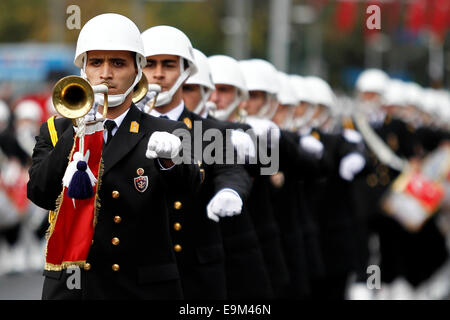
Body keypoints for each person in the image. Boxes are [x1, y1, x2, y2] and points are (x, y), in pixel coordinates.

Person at [27, 13, 200, 300]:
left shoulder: (166, 130)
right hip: (73, 286)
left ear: (137, 71)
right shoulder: (56, 130)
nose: (106, 74)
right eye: (96, 62)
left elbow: (189, 190)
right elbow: (40, 193)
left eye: (118, 63)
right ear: (84, 70)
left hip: (139, 287)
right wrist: (79, 127)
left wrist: (171, 161)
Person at [140, 26, 260, 299]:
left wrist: (230, 191)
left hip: (194, 268)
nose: (158, 73)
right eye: (150, 65)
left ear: (186, 72)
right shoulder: (128, 127)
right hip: (140, 267)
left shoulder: (209, 130)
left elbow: (230, 170)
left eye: (169, 65)